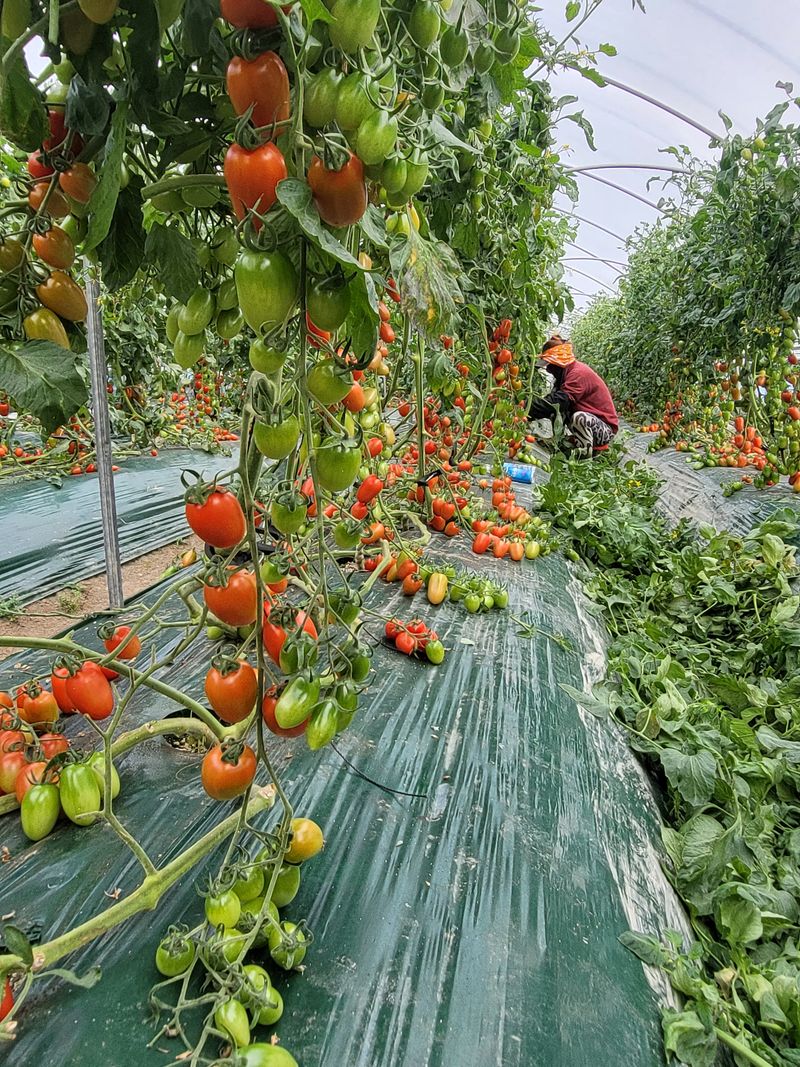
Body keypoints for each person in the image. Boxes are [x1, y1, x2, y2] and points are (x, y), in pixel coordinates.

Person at [527, 335, 618, 458]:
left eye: (550, 364)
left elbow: (559, 401)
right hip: (593, 424)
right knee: (557, 409)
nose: (548, 369)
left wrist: (528, 406)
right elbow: (553, 402)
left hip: (604, 430)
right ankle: (558, 442)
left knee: (578, 417)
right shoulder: (567, 374)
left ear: (559, 363)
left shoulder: (578, 374)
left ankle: (585, 455)